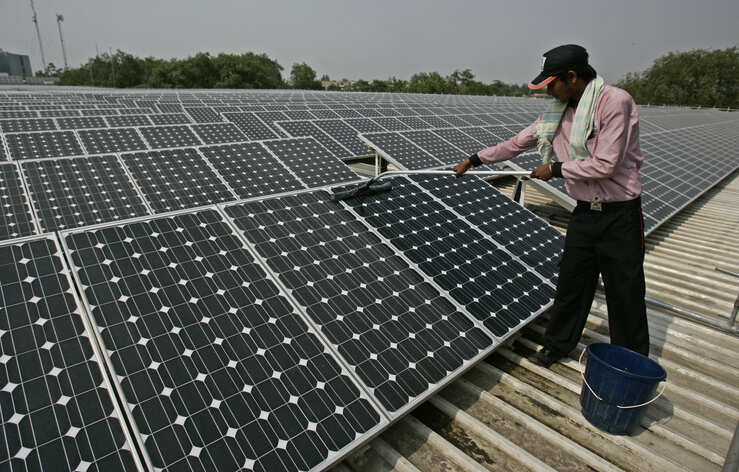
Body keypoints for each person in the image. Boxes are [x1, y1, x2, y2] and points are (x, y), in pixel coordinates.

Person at [453, 44, 649, 368]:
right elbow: (517, 144)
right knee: (572, 283)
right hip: (585, 213)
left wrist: (555, 169)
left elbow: (606, 164)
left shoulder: (614, 102)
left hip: (620, 215)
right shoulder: (556, 114)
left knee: (624, 292)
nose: (548, 91)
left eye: (551, 84)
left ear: (571, 77)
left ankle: (630, 363)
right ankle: (556, 347)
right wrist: (474, 160)